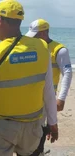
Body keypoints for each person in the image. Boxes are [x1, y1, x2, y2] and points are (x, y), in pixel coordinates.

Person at [0, 1, 58, 156]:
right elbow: (49, 91)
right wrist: (53, 122)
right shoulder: (42, 48)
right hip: (33, 125)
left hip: (2, 128)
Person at [25, 19, 73, 155]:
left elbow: (68, 73)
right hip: (32, 97)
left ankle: (37, 151)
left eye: (36, 35)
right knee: (32, 129)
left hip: (47, 98)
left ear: (44, 33)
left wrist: (61, 98)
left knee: (38, 130)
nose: (33, 38)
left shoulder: (59, 50)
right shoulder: (32, 47)